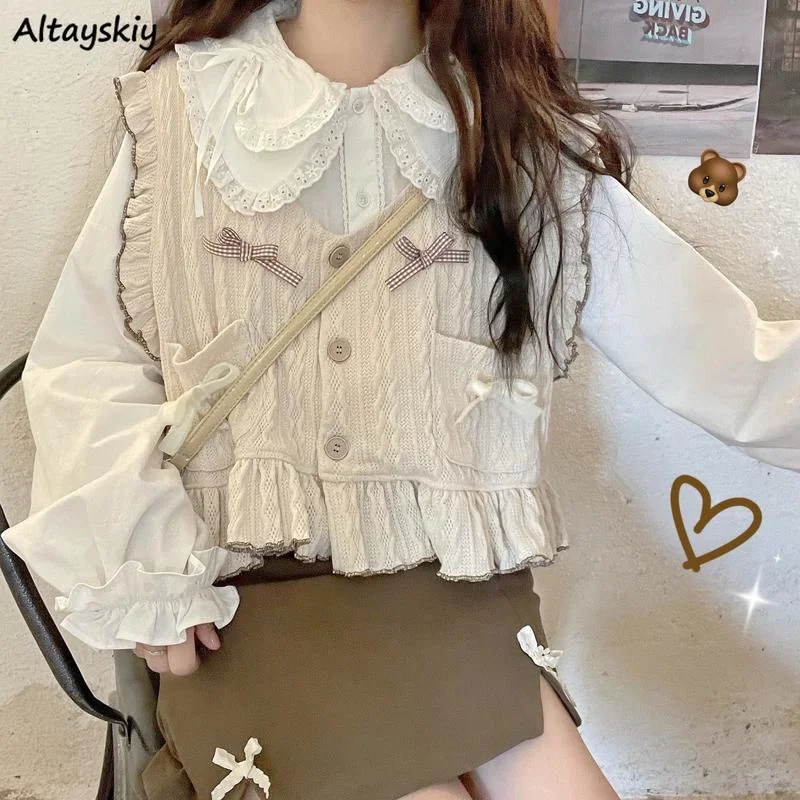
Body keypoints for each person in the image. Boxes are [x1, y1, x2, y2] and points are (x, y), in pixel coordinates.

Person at [3, 0, 799, 798]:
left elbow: (724, 359)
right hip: (241, 607)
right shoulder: (187, 109)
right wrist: (144, 570)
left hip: (449, 599)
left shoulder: (516, 138)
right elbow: (85, 370)